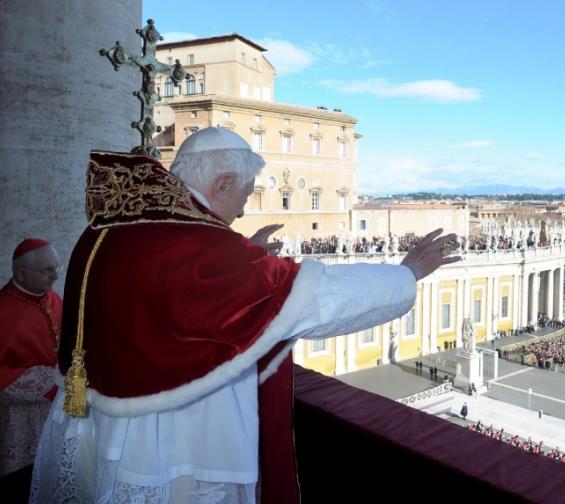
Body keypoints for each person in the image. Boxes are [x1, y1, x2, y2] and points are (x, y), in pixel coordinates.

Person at [30, 128, 460, 503]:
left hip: (96, 417)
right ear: (221, 183)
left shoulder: (111, 227)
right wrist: (407, 273)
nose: (242, 208)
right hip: (168, 442)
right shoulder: (205, 250)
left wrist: (243, 251)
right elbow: (318, 299)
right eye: (245, 194)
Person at [0, 239, 62, 501]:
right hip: (18, 418)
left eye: (56, 269)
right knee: (21, 482)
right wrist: (48, 379)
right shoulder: (4, 310)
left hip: (56, 409)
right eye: (47, 270)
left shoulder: (53, 298)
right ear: (21, 273)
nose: (55, 276)